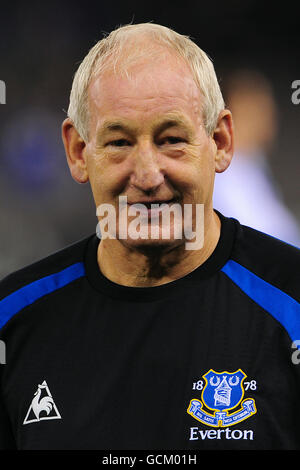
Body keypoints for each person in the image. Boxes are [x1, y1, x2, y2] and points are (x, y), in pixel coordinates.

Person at [0, 22, 299, 451]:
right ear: (78, 152)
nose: (146, 175)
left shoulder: (292, 306)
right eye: (119, 142)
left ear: (221, 141)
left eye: (172, 140)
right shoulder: (11, 322)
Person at [213, 69, 300, 247]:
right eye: (257, 109)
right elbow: (259, 240)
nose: (269, 117)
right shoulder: (223, 173)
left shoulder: (253, 165)